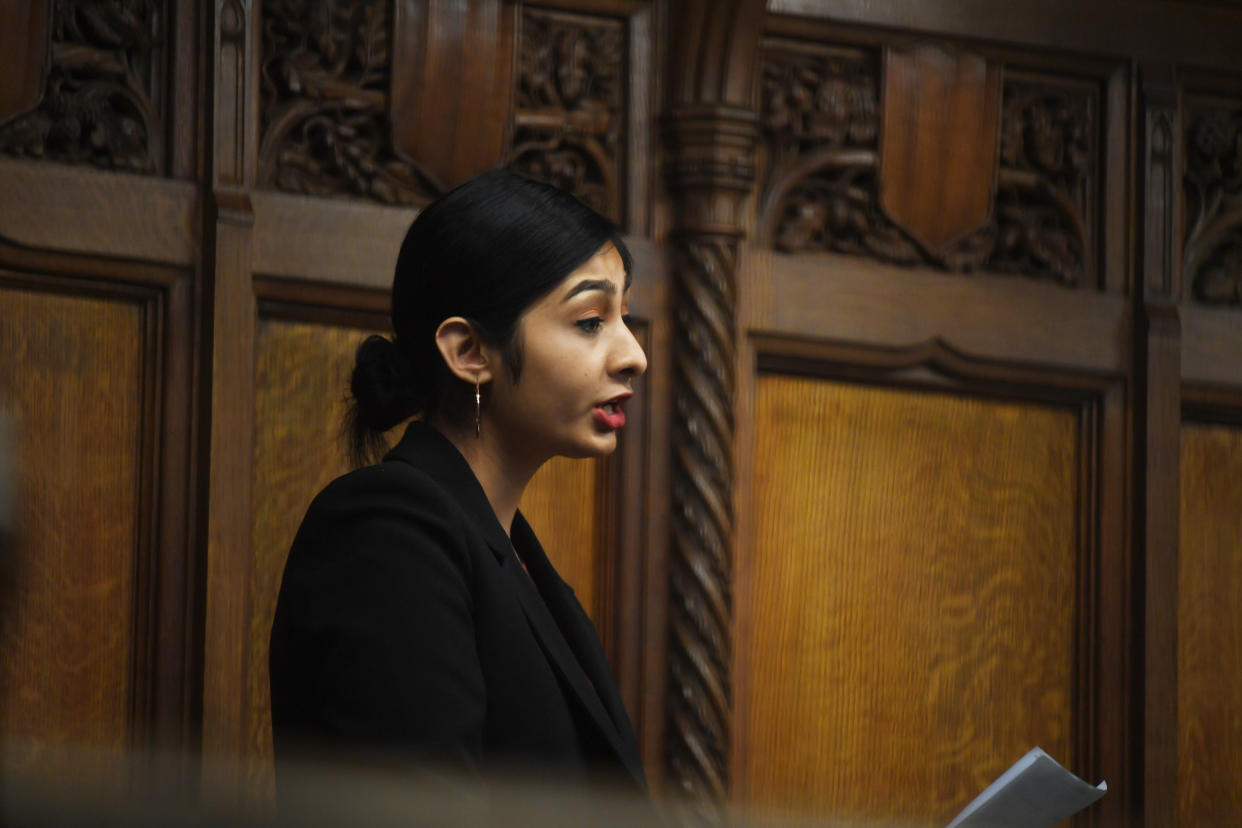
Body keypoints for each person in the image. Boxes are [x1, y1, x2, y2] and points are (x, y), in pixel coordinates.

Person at [268, 170, 649, 795]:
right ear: (470, 351)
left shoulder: (513, 555)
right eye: (590, 321)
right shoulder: (387, 532)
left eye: (624, 316)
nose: (634, 353)